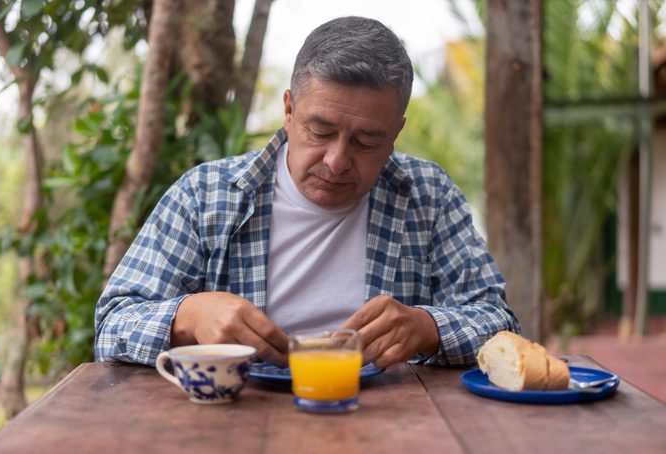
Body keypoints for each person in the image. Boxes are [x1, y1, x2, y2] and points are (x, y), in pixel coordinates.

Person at [95, 16, 520, 370]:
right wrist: (187, 317)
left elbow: (499, 324)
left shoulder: (428, 196)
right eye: (320, 131)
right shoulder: (206, 196)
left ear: (396, 134)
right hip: (234, 423)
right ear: (288, 111)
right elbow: (112, 325)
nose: (336, 161)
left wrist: (427, 327)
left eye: (366, 142)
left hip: (388, 422)